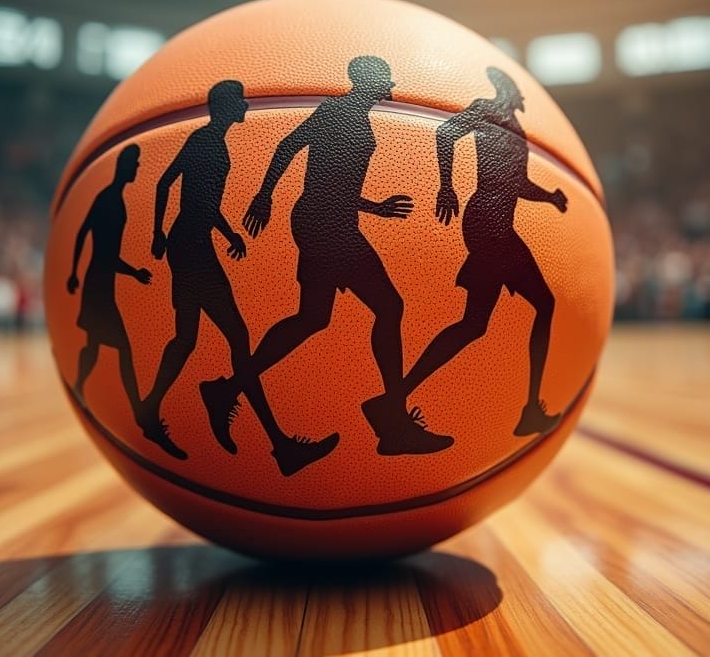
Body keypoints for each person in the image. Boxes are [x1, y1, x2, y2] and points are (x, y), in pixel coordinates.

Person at [206, 56, 453, 458]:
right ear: (368, 82)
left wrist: (374, 207)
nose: (389, 85)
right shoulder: (340, 112)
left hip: (329, 221)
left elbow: (333, 182)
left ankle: (227, 389)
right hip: (325, 225)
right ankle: (391, 420)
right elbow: (289, 147)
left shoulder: (350, 115)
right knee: (387, 307)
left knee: (315, 317)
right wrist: (264, 195)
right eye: (384, 80)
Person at [143, 80, 337, 474]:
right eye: (240, 100)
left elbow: (200, 203)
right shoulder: (207, 142)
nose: (247, 105)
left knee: (187, 339)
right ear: (225, 106)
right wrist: (156, 233)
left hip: (191, 243)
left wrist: (227, 233)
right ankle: (276, 442)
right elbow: (168, 185)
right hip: (191, 247)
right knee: (235, 338)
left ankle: (154, 408)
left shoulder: (212, 142)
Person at [370, 66, 567, 439]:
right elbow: (445, 133)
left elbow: (517, 183)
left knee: (474, 324)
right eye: (516, 92)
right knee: (541, 304)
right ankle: (528, 410)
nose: (521, 98)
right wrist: (446, 186)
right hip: (488, 221)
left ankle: (392, 400)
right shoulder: (485, 109)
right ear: (505, 92)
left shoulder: (512, 127)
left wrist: (550, 198)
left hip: (495, 222)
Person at [67, 144, 152, 430]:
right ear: (124, 166)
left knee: (93, 344)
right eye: (135, 163)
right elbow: (106, 254)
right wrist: (134, 273)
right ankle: (139, 410)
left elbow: (83, 233)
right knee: (123, 348)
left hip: (97, 280)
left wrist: (74, 272)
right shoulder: (112, 201)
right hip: (100, 284)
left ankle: (79, 386)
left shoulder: (108, 197)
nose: (138, 168)